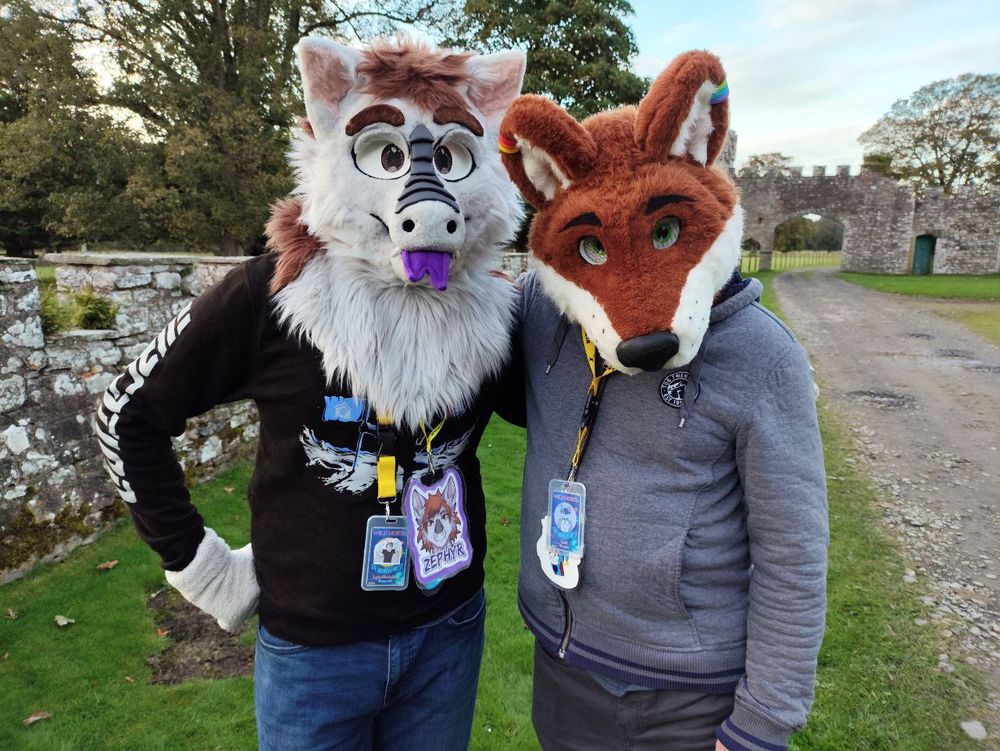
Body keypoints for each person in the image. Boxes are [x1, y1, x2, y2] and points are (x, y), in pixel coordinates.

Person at [96, 35, 526, 751]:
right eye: (388, 155)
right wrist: (199, 567)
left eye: (448, 157)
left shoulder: (493, 308)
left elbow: (557, 404)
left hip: (447, 631)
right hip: (313, 652)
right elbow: (126, 414)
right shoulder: (272, 295)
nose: (426, 192)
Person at [498, 50, 829, 751]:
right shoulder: (542, 313)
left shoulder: (763, 358)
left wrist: (759, 726)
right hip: (563, 668)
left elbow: (793, 554)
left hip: (688, 697)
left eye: (667, 232)